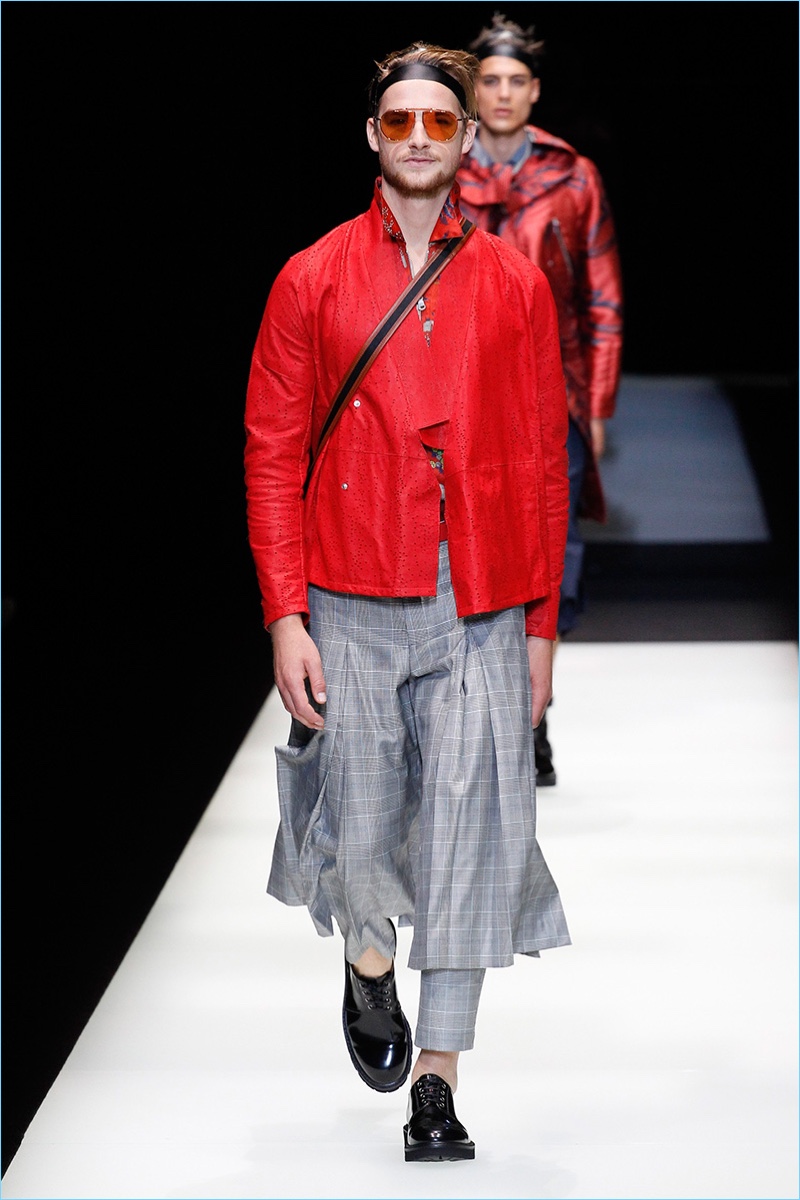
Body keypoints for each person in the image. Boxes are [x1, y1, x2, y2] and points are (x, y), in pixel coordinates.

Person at [244, 39, 571, 1164]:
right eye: (401, 121)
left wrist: (542, 626)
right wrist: (284, 613)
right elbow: (271, 450)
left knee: (472, 833)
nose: (421, 138)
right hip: (348, 584)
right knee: (363, 817)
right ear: (372, 137)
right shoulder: (310, 277)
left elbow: (542, 461)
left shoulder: (515, 284)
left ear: (468, 136)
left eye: (440, 121)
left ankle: (438, 1078)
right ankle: (368, 953)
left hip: (479, 589)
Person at [458, 13, 624, 786]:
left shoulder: (573, 176)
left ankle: (533, 720)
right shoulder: (441, 166)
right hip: (459, 396)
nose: (501, 93)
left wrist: (597, 406)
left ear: (535, 91)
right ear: (473, 90)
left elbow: (602, 298)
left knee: (550, 555)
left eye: (515, 80)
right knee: (468, 550)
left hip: (550, 393)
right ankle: (473, 719)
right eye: (489, 80)